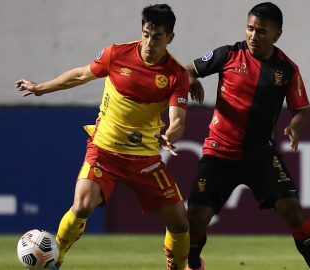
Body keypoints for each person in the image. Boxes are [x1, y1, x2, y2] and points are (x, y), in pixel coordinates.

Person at [16, 4, 190, 270]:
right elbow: (80, 75)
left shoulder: (176, 75)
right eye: (145, 34)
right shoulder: (117, 54)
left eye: (156, 38)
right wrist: (41, 88)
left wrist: (170, 134)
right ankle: (55, 258)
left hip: (144, 158)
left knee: (179, 223)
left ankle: (176, 267)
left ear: (170, 38)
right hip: (104, 150)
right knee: (83, 205)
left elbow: (177, 120)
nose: (148, 43)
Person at [184, 2, 310, 270]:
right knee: (195, 220)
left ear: (277, 34)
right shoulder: (227, 55)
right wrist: (191, 79)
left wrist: (295, 126)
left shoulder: (287, 70)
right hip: (219, 152)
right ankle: (193, 264)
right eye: (250, 29)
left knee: (292, 211)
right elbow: (187, 69)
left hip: (260, 155)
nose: (253, 36)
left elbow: (301, 111)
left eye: (261, 31)